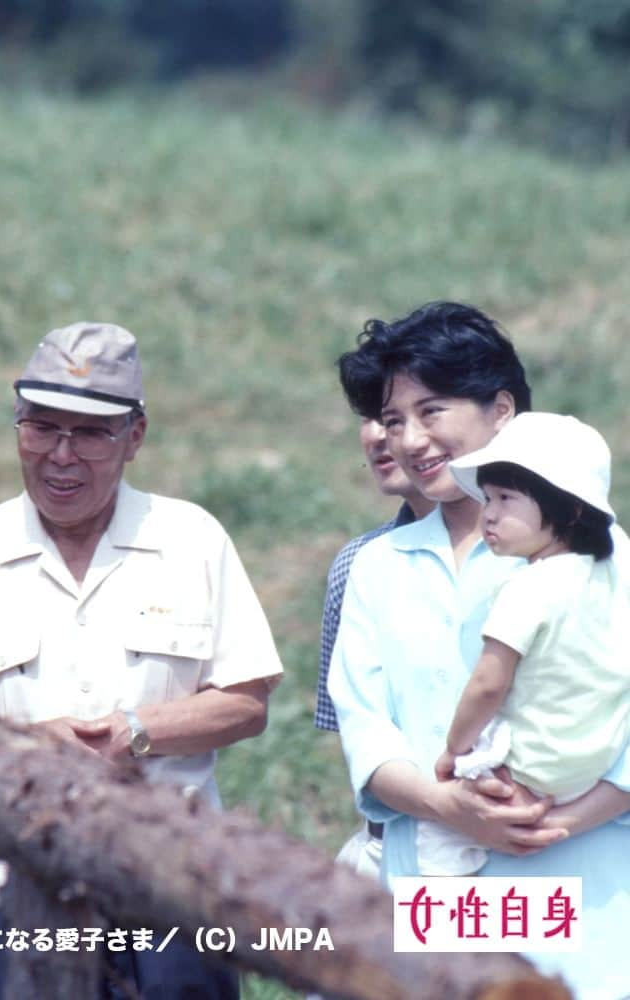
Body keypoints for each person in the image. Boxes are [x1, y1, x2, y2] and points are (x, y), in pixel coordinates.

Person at [0, 321, 283, 1000]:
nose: (60, 456)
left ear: (135, 437)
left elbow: (246, 701)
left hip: (174, 885)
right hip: (13, 886)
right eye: (41, 428)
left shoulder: (191, 541)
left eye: (91, 433)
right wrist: (29, 745)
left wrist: (137, 732)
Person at [327, 301, 630, 1000]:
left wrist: (549, 823)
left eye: (432, 411)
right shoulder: (378, 565)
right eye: (394, 420)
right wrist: (449, 807)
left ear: (502, 412)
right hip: (438, 879)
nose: (410, 440)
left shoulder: (603, 559)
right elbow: (366, 733)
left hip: (582, 886)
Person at [412, 412, 630, 876]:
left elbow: (489, 683)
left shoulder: (528, 587)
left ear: (570, 509)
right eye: (487, 498)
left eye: (506, 499)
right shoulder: (613, 577)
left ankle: (449, 909)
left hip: (530, 766)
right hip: (593, 764)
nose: (489, 513)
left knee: (438, 834)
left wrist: (456, 748)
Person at [315, 418, 434, 878]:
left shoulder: (558, 561)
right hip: (390, 854)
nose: (380, 435)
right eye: (378, 416)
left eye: (427, 410)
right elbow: (353, 734)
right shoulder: (359, 564)